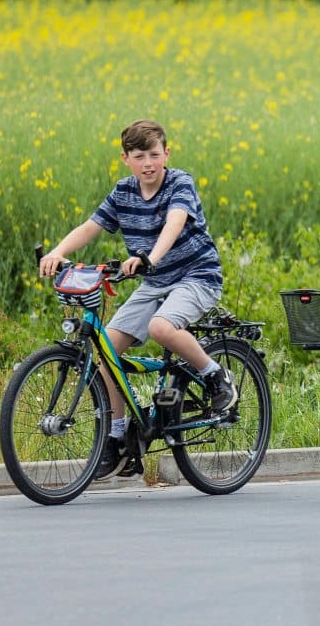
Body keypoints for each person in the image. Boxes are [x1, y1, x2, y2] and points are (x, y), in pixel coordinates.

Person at [38, 119, 232, 480]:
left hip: (196, 276)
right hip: (155, 282)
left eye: (154, 155)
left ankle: (216, 377)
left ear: (166, 154)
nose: (148, 164)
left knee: (161, 328)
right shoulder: (123, 192)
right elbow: (92, 226)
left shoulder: (180, 183)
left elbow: (174, 223)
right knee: (106, 351)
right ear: (125, 159)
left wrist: (149, 258)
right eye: (139, 156)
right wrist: (58, 251)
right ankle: (118, 438)